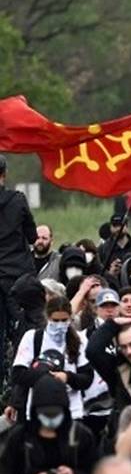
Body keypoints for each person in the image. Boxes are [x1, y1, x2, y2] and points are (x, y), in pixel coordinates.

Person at [7, 296, 95, 422]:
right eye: (55, 320)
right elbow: (18, 374)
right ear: (48, 317)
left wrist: (67, 377)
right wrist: (45, 376)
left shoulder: (79, 341)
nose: (60, 325)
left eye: (64, 320)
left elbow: (87, 378)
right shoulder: (32, 338)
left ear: (70, 318)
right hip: (37, 412)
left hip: (72, 412)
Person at [0, 155, 36, 368]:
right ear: (4, 174)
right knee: (21, 331)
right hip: (16, 275)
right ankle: (19, 380)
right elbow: (32, 236)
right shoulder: (18, 199)